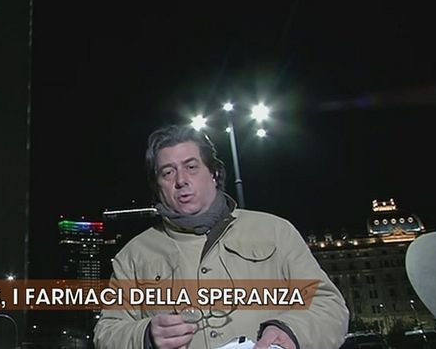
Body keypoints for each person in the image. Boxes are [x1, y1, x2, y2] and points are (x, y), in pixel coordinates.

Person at [94, 124, 348, 349]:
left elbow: (328, 305)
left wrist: (292, 332)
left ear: (213, 173)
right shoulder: (133, 256)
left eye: (191, 167)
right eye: (168, 173)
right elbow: (107, 333)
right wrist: (146, 336)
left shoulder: (275, 231)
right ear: (157, 185)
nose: (181, 180)